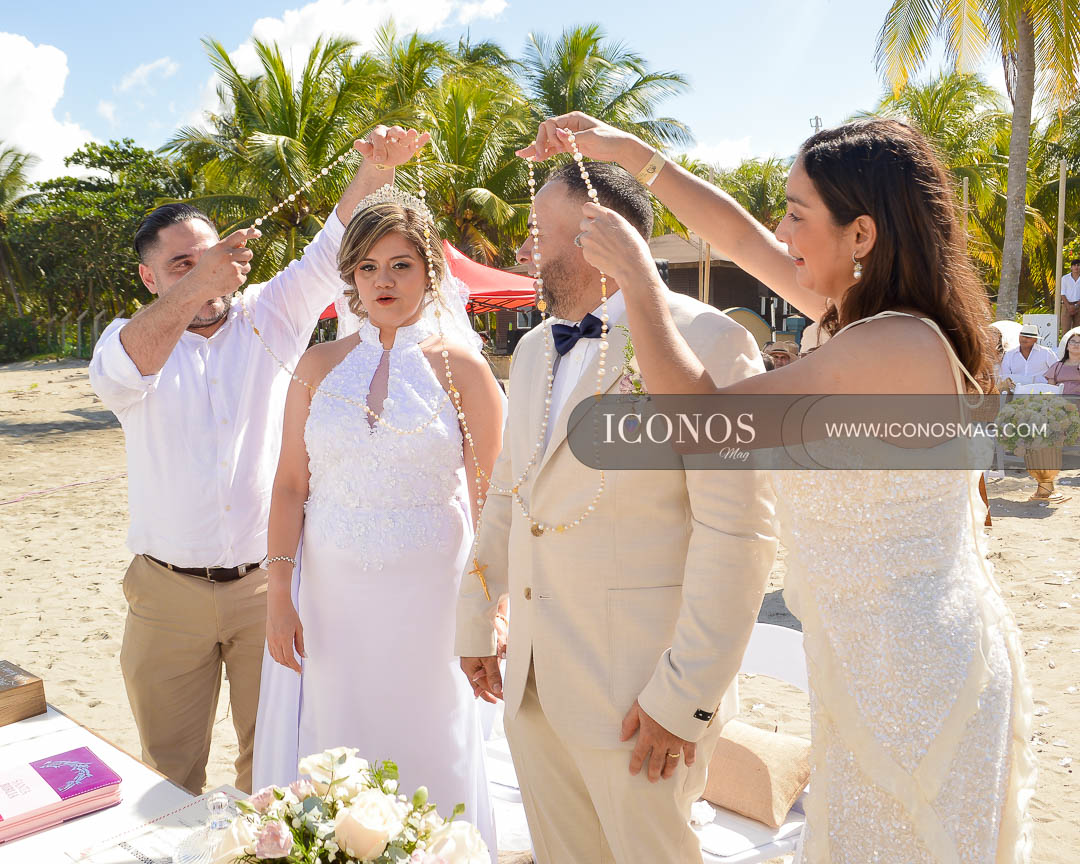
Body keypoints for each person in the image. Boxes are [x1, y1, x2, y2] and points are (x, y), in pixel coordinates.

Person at [530, 112, 1035, 861]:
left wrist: (639, 281)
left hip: (912, 675)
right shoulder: (860, 324)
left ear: (860, 235)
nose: (779, 230)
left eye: (797, 215)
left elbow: (701, 423)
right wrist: (631, 153)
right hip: (864, 665)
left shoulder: (890, 345)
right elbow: (736, 238)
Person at [455, 160, 777, 864]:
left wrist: (685, 698)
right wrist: (476, 615)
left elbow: (739, 533)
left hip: (641, 705)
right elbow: (511, 491)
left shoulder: (712, 341)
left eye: (538, 233)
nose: (525, 251)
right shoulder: (533, 349)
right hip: (533, 690)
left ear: (599, 235)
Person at [88, 126, 425, 795]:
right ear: (149, 277)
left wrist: (376, 168)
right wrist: (195, 288)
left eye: (213, 256)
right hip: (164, 593)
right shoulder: (124, 341)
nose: (206, 273)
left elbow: (332, 244)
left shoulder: (272, 309)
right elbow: (129, 368)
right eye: (182, 265)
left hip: (267, 588)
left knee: (272, 768)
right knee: (167, 774)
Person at [254, 181, 503, 856]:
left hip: (432, 603)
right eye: (367, 267)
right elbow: (289, 487)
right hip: (330, 601)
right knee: (335, 741)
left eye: (400, 265)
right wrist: (278, 596)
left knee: (432, 736)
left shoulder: (463, 370)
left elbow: (493, 501)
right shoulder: (316, 365)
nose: (383, 281)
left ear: (430, 271)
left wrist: (492, 607)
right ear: (351, 278)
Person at [1000, 323, 1057, 390]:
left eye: (1028, 337)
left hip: (1041, 390)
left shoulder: (1046, 352)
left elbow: (1057, 371)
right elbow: (1005, 376)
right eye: (1022, 336)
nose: (1024, 339)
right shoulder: (1009, 354)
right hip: (1017, 390)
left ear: (1035, 340)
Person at [1046, 327, 1080, 394]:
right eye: (1073, 342)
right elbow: (1050, 389)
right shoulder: (1056, 366)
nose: (1076, 344)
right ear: (1067, 346)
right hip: (1060, 400)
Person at [1060, 258, 1080, 334]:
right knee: (1065, 331)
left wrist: (1076, 305)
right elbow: (1062, 293)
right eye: (1074, 265)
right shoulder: (1065, 278)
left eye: (1078, 265)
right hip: (1066, 305)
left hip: (1079, 305)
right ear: (1071, 267)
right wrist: (1068, 306)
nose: (1076, 267)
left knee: (1078, 331)